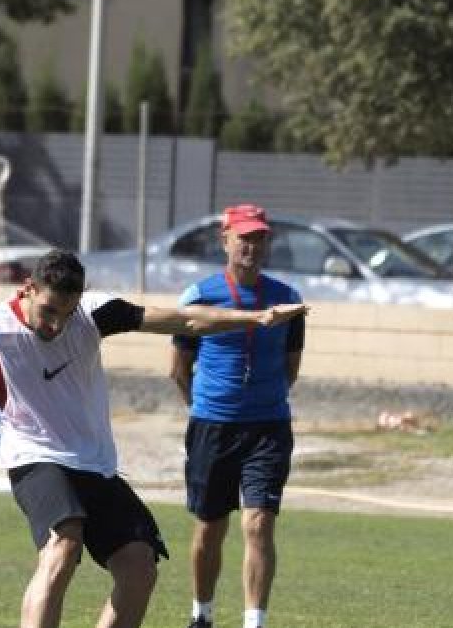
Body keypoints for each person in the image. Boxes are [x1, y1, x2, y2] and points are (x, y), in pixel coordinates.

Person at [0, 249, 307, 628]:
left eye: (65, 314)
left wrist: (253, 318)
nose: (55, 324)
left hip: (94, 463)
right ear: (27, 288)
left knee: (138, 566)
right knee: (64, 542)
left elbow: (186, 318)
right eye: (48, 311)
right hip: (33, 456)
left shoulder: (93, 312)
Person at [170, 204, 306, 628]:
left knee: (259, 522)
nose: (252, 245)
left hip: (268, 427)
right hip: (213, 426)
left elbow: (291, 368)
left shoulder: (288, 300)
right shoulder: (199, 296)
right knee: (210, 527)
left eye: (259, 238)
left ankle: (254, 621)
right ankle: (202, 615)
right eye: (244, 237)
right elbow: (178, 369)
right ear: (224, 238)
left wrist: (261, 400)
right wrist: (209, 405)